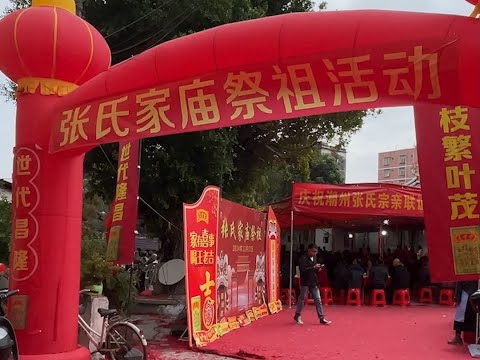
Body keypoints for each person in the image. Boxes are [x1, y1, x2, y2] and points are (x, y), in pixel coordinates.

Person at [294, 244, 331, 325]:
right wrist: (313, 267)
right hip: (305, 281)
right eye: (313, 251)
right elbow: (302, 270)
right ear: (309, 250)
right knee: (302, 299)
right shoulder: (303, 259)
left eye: (316, 252)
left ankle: (321, 318)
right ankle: (297, 315)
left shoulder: (314, 258)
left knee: (318, 299)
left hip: (314, 281)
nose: (315, 253)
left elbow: (313, 269)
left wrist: (318, 268)